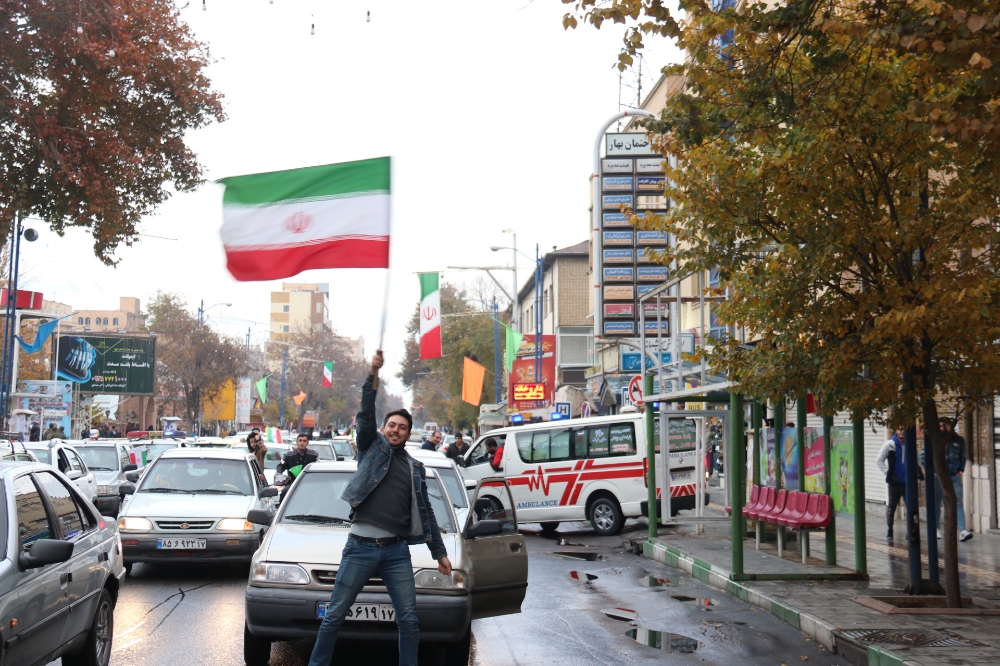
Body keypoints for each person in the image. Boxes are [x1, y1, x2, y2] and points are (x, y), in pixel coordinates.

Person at [306, 351, 450, 666]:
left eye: (402, 427)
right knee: (335, 615)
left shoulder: (415, 468)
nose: (396, 430)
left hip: (396, 553)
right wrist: (373, 373)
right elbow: (365, 412)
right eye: (392, 425)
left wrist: (440, 554)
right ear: (384, 428)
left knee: (409, 620)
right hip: (360, 548)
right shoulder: (371, 450)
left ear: (409, 434)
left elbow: (426, 513)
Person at [937, 418, 971, 542]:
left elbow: (963, 456)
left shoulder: (959, 440)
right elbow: (925, 456)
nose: (942, 428)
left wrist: (960, 470)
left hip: (954, 475)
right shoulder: (935, 440)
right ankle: (936, 529)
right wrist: (934, 472)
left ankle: (962, 530)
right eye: (940, 426)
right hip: (938, 476)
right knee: (937, 502)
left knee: (958, 502)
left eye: (945, 425)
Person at [876, 428, 908, 539]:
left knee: (910, 506)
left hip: (907, 481)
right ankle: (890, 530)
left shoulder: (910, 443)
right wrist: (889, 473)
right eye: (899, 429)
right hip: (895, 482)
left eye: (904, 429)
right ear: (896, 431)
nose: (902, 432)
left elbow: (916, 460)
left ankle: (910, 531)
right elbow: (879, 460)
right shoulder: (890, 444)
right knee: (892, 506)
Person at [276, 433, 318, 498]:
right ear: (296, 442)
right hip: (292, 483)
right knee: (284, 492)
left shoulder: (313, 455)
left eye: (304, 441)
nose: (302, 443)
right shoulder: (288, 455)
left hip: (309, 483)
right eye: (300, 440)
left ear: (307, 443)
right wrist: (278, 473)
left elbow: (318, 467)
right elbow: (280, 466)